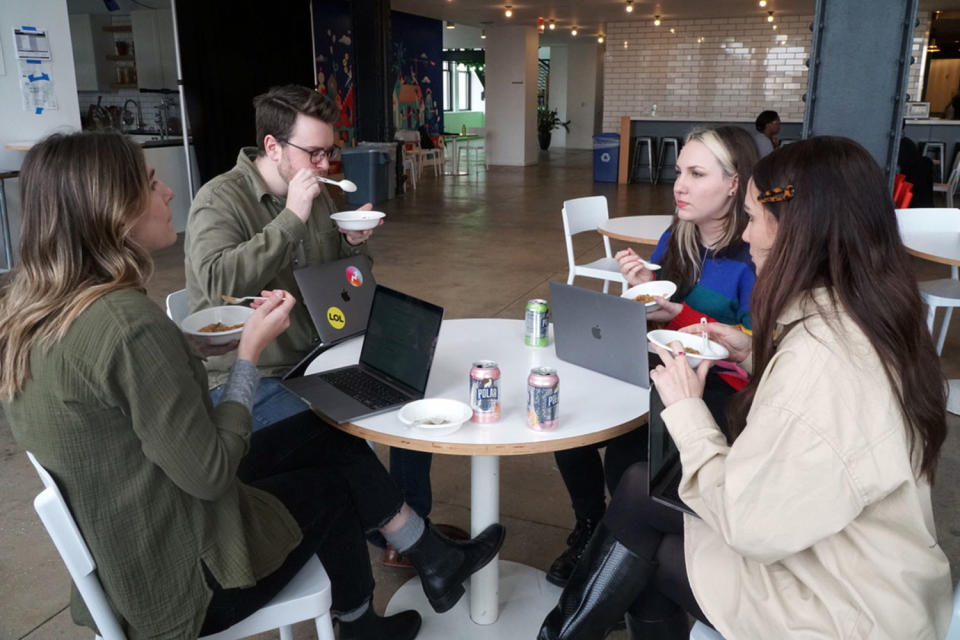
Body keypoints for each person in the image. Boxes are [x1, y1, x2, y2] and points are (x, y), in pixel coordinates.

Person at [0, 131, 505, 640]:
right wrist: (248, 355)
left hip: (130, 546)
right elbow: (212, 473)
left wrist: (187, 348)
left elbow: (119, 395)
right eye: (153, 183)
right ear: (114, 209)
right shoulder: (125, 322)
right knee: (331, 485)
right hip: (187, 582)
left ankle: (428, 559)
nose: (169, 193)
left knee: (320, 429)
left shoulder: (35, 310)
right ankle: (366, 621)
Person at [537, 136, 953, 640]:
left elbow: (749, 524)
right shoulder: (873, 316)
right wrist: (750, 350)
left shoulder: (817, 364)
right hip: (866, 562)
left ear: (793, 231)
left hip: (840, 606)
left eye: (754, 217)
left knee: (639, 520)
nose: (748, 235)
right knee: (638, 493)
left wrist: (688, 411)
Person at [184, 84, 457, 566]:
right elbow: (212, 284)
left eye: (330, 151)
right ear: (272, 147)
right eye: (313, 152)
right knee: (331, 430)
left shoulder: (321, 195)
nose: (326, 164)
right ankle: (402, 535)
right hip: (260, 374)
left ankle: (407, 529)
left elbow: (352, 284)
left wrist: (354, 243)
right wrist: (292, 216)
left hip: (324, 351)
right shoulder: (220, 199)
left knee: (415, 379)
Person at [545, 126, 759, 588]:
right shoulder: (678, 234)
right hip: (663, 364)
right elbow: (659, 318)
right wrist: (641, 289)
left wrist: (680, 312)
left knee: (627, 461)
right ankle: (591, 526)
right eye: (680, 171)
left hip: (721, 385)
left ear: (734, 182)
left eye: (697, 173)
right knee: (566, 420)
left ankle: (616, 550)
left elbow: (750, 348)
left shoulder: (754, 255)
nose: (679, 184)